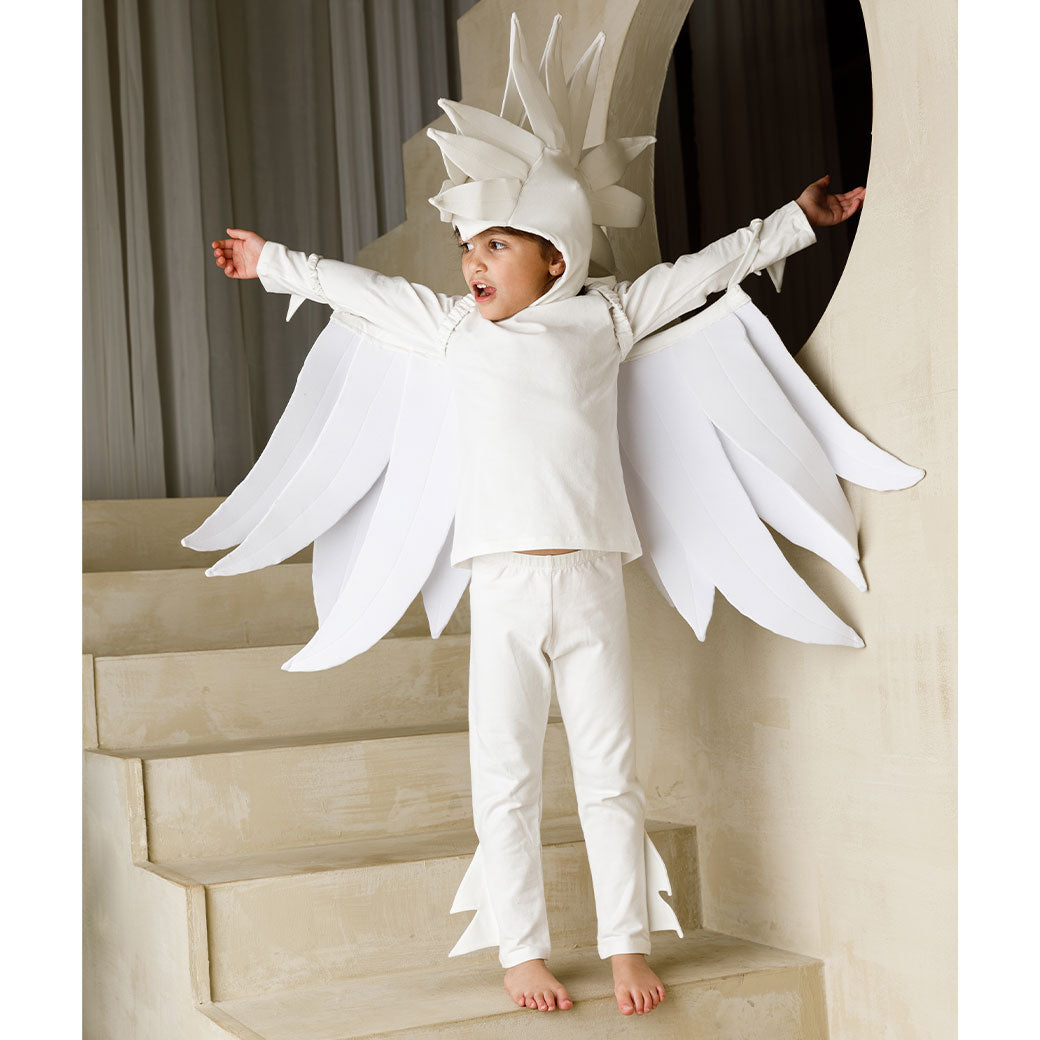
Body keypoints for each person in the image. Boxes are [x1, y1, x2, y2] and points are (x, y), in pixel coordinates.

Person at [205, 13, 866, 1019]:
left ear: (554, 257)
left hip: (592, 576)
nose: (472, 262)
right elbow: (364, 291)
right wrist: (272, 262)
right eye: (467, 246)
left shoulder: (605, 318)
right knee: (505, 772)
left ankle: (625, 941)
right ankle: (522, 949)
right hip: (504, 580)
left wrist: (795, 222)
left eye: (496, 244)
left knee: (608, 771)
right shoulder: (451, 332)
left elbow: (702, 271)